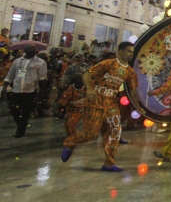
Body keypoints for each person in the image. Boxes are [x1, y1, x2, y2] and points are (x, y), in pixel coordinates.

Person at [60, 42, 137, 172]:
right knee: (90, 134)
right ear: (120, 51)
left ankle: (108, 163)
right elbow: (86, 74)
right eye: (129, 51)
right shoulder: (108, 63)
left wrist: (138, 106)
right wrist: (89, 90)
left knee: (114, 132)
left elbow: (133, 91)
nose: (131, 54)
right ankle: (70, 143)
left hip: (111, 104)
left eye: (132, 52)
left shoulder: (130, 72)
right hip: (95, 102)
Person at [2, 44, 48, 137]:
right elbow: (10, 75)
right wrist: (4, 87)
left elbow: (43, 78)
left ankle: (20, 130)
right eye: (30, 49)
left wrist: (43, 92)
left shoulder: (41, 62)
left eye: (33, 49)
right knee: (14, 110)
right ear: (25, 50)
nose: (32, 50)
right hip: (17, 89)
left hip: (30, 90)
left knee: (26, 111)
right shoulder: (17, 61)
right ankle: (21, 124)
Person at [58, 73, 86, 138]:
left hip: (87, 111)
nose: (80, 82)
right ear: (73, 81)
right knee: (69, 125)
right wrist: (57, 109)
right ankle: (73, 137)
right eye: (78, 80)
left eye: (81, 80)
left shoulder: (88, 89)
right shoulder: (69, 91)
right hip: (74, 112)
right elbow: (61, 102)